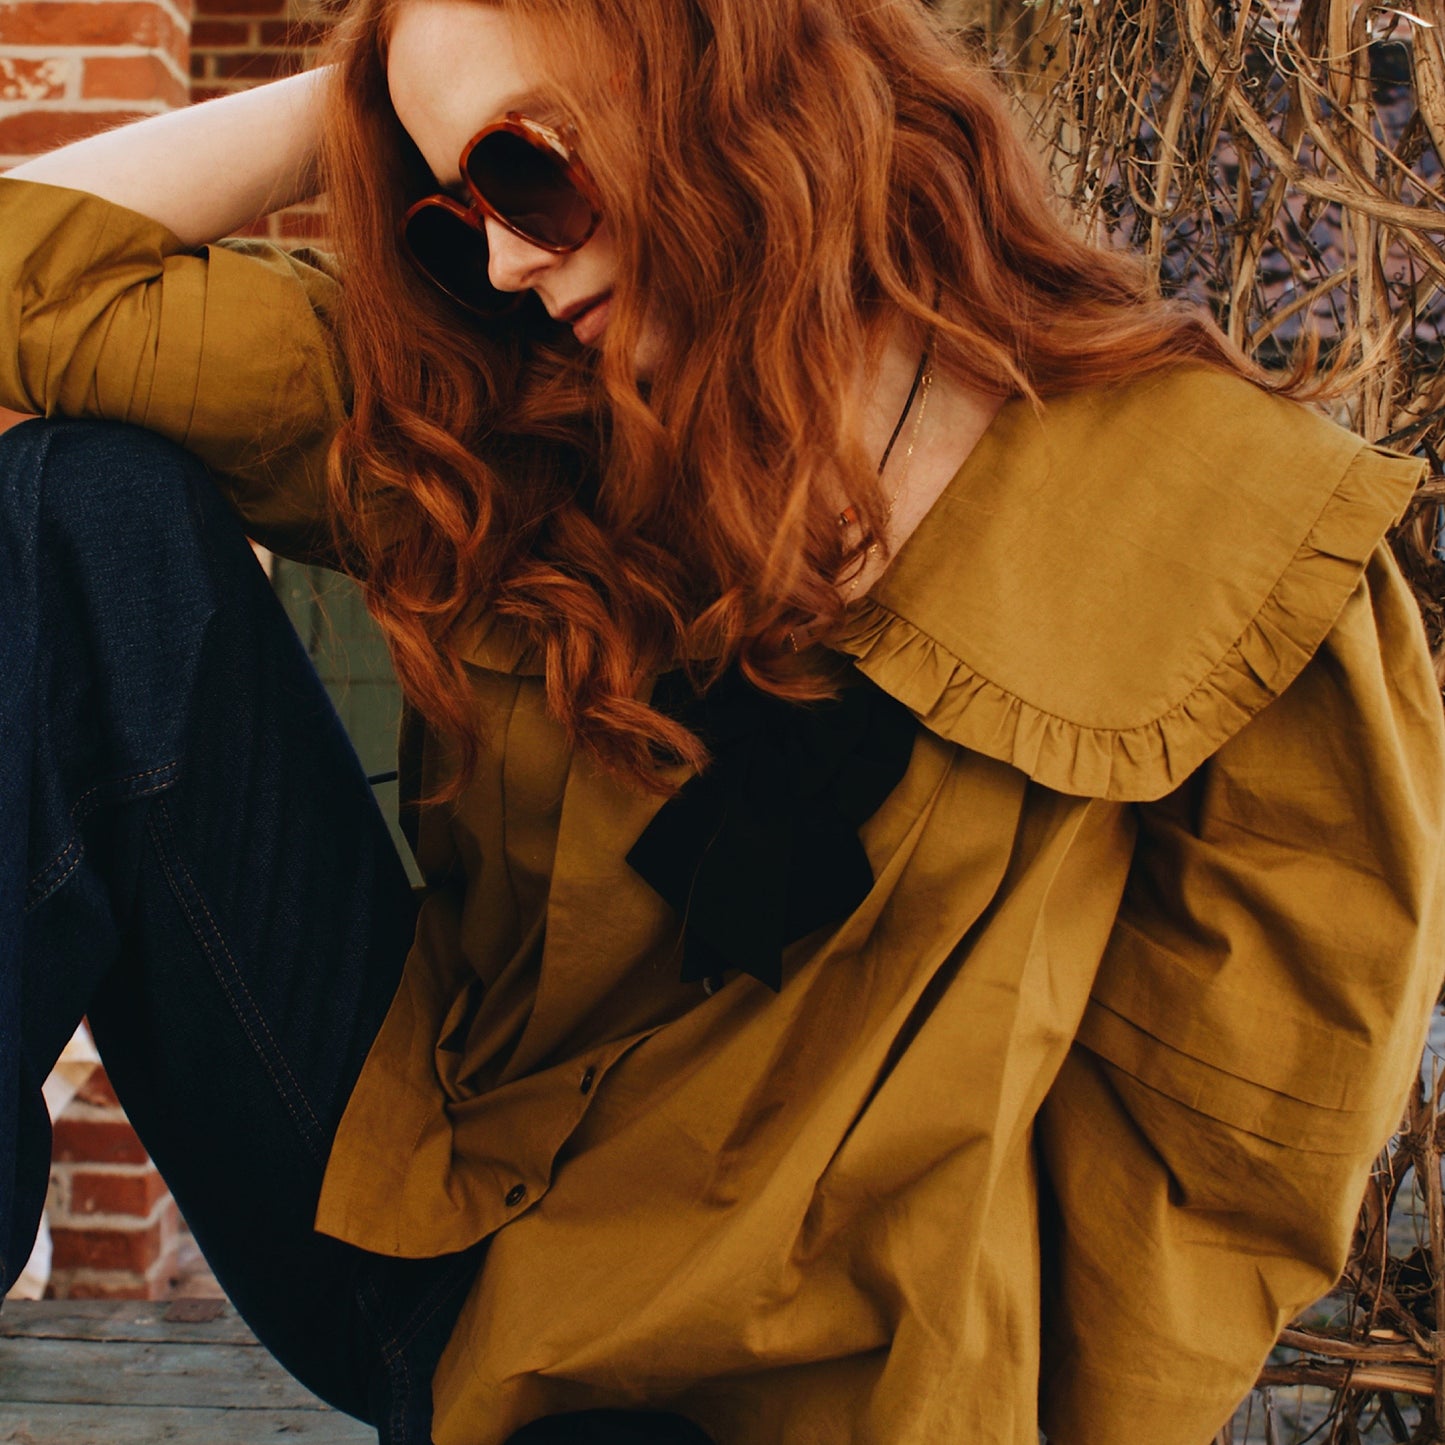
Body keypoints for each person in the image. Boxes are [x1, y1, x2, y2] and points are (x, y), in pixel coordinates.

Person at [0, 0, 1441, 1441]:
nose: (502, 258)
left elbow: (1227, 1161)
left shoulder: (1227, 520)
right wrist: (370, 97)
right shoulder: (499, 402)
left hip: (802, 1392)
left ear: (730, 64)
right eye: (459, 218)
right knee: (73, 510)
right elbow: (28, 289)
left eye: (525, 174)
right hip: (430, 1243)